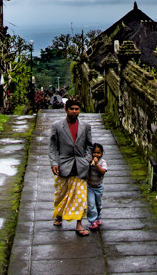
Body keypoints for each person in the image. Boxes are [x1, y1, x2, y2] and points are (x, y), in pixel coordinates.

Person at [48, 98, 94, 235]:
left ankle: (79, 224)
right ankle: (59, 214)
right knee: (61, 194)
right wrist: (54, 163)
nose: (74, 111)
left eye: (77, 109)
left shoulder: (85, 126)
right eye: (72, 109)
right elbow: (53, 147)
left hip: (81, 166)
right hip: (63, 164)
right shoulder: (57, 126)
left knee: (80, 196)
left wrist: (87, 159)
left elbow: (89, 145)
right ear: (66, 110)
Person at [86, 142, 107, 230]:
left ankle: (98, 217)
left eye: (98, 153)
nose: (96, 155)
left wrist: (97, 164)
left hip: (99, 187)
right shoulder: (89, 161)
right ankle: (92, 221)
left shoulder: (102, 162)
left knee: (98, 204)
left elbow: (103, 171)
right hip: (90, 187)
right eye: (94, 152)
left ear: (101, 153)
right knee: (91, 204)